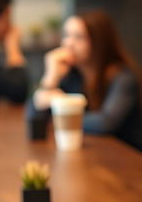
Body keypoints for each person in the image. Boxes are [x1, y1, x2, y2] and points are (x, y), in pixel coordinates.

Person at [30, 10, 142, 150]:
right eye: (66, 35)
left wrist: (61, 108)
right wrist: (51, 77)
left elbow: (105, 123)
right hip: (94, 153)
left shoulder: (123, 77)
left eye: (79, 37)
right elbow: (34, 119)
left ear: (99, 41)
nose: (69, 43)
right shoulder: (70, 75)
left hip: (127, 159)